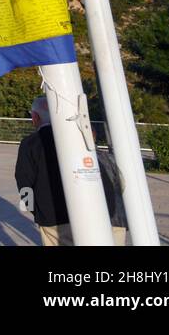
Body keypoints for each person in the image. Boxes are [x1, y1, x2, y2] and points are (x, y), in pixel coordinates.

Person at [15, 95, 122, 246]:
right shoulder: (77, 136)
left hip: (53, 216)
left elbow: (24, 181)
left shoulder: (30, 143)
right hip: (94, 212)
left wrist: (35, 210)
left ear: (35, 117)